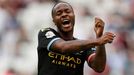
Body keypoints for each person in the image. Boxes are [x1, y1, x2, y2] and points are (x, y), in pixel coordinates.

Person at [37, 1, 115, 75]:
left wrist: (99, 36)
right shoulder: (45, 33)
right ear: (53, 21)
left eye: (67, 11)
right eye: (59, 13)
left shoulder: (84, 46)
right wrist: (98, 41)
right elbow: (63, 47)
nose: (64, 15)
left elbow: (99, 67)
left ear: (74, 16)